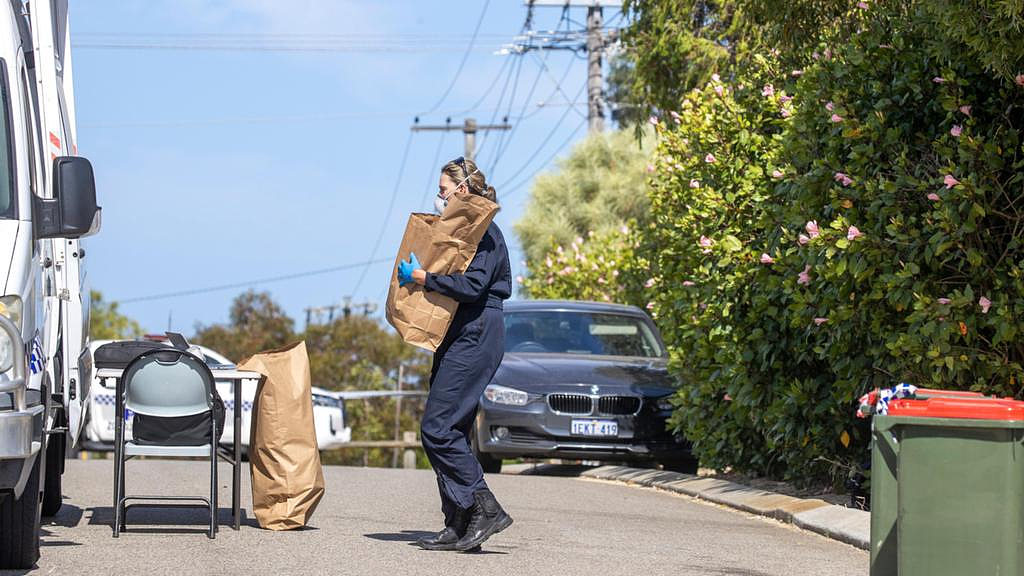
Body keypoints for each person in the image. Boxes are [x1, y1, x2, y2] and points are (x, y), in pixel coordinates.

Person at [396, 156, 513, 552]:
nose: (439, 197)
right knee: (454, 429)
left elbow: (474, 287)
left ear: (462, 191)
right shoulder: (460, 232)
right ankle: (459, 523)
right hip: (457, 331)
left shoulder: (486, 233)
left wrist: (423, 278)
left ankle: (484, 507)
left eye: (444, 190)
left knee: (437, 428)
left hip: (478, 330)